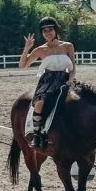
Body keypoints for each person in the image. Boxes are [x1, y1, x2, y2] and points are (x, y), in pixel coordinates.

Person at [18, 17, 76, 149]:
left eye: (50, 29)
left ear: (56, 30)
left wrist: (70, 80)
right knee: (39, 104)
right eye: (44, 31)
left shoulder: (68, 46)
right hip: (48, 80)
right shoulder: (40, 50)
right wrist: (27, 48)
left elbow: (73, 66)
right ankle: (38, 134)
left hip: (66, 78)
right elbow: (22, 65)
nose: (47, 32)